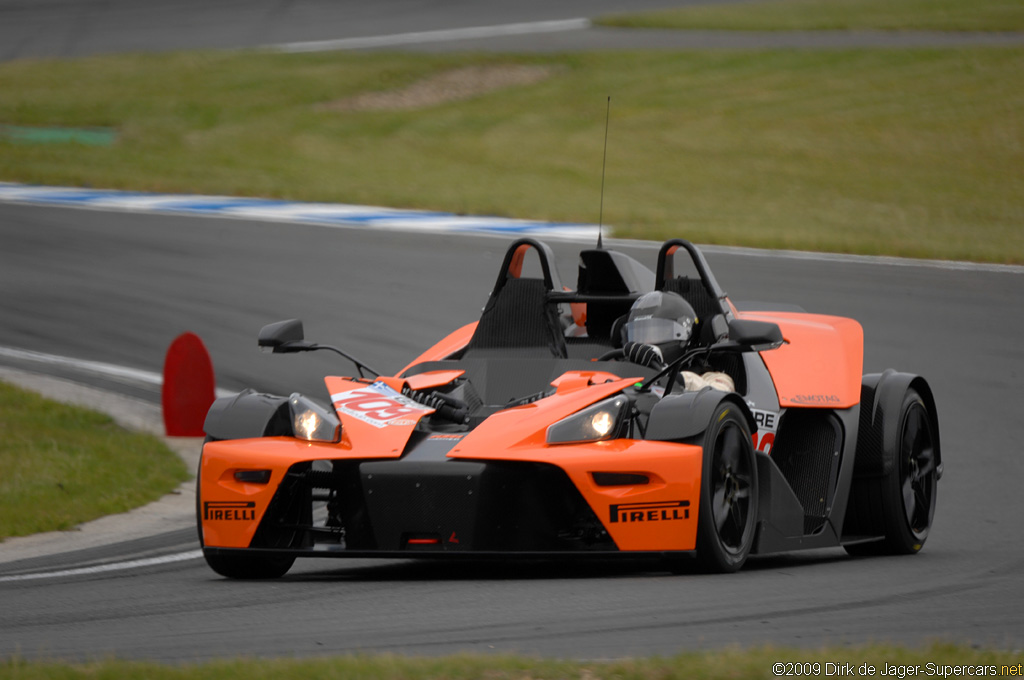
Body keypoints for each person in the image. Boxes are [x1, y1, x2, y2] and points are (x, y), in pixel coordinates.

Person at [621, 291, 734, 393]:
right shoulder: (621, 371)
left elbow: (721, 394)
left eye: (658, 333)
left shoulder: (712, 378)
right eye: (640, 335)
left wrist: (671, 376)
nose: (646, 343)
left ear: (686, 334)